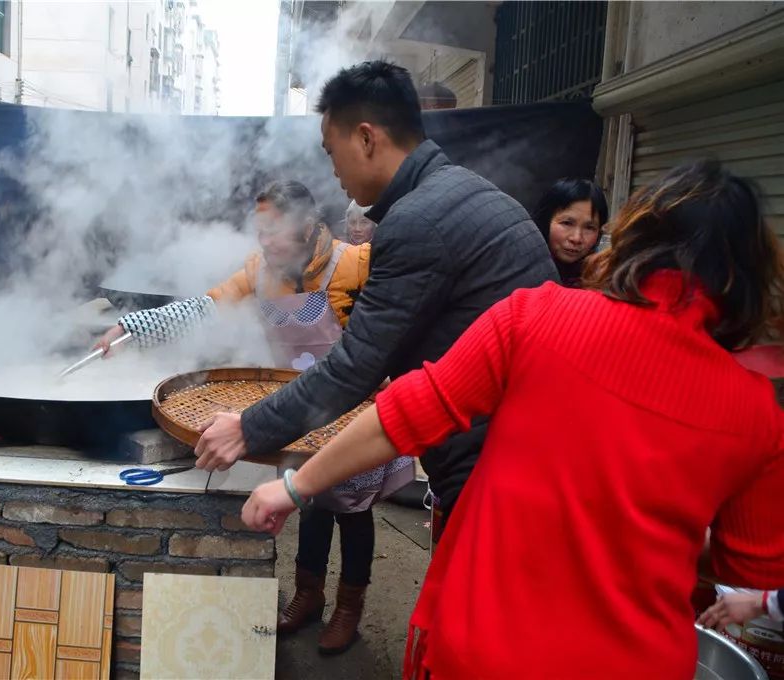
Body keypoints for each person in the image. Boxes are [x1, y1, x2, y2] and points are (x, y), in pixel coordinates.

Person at [240, 160, 784, 679]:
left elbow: (403, 415)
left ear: (636, 238)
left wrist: (293, 485)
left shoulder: (536, 314)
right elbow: (751, 568)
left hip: (481, 646)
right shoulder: (758, 413)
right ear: (747, 277)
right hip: (634, 661)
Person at [193, 61, 557, 556]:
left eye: (332, 151)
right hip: (523, 453)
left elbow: (353, 366)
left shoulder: (418, 221)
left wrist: (246, 427)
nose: (333, 170)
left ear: (366, 138)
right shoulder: (462, 193)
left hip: (498, 467)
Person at [94, 180, 413, 654]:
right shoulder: (258, 272)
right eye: (258, 230)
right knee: (306, 501)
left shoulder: (354, 264)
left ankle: (349, 607)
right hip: (299, 406)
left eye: (274, 229)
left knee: (353, 511)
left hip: (354, 410)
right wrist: (132, 327)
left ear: (307, 225)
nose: (264, 241)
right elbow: (204, 307)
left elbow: (400, 320)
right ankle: (308, 594)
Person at [531, 178, 609, 286]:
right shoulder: (520, 271)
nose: (576, 238)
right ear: (545, 221)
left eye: (589, 228)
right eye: (567, 223)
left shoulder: (601, 282)